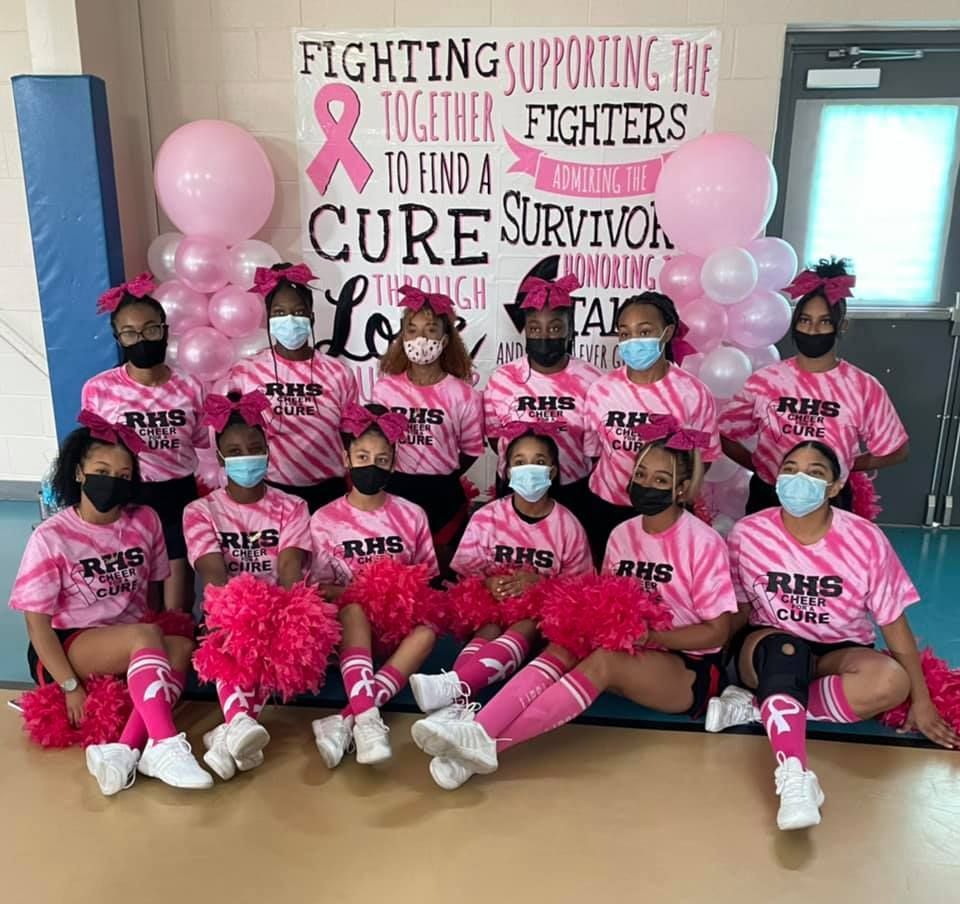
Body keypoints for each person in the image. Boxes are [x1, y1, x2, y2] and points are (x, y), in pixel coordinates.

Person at [412, 421, 736, 791]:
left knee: (603, 661)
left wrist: (650, 635)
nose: (646, 484)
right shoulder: (622, 534)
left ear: (681, 489)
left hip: (687, 666)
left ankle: (485, 737)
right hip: (633, 647)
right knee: (567, 640)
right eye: (641, 473)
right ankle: (467, 749)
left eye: (660, 480)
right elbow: (604, 605)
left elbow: (718, 631)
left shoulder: (702, 541)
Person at [705, 440, 957, 831]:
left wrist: (920, 699)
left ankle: (761, 708)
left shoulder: (865, 539)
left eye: (815, 472)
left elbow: (894, 624)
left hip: (837, 650)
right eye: (790, 468)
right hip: (768, 643)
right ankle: (795, 778)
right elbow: (737, 610)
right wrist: (719, 666)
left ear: (836, 486)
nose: (798, 479)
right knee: (786, 651)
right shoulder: (748, 532)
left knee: (892, 682)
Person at [8, 413, 211, 795]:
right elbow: (36, 624)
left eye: (122, 474)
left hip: (130, 638)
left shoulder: (145, 520)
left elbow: (150, 592)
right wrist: (69, 686)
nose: (112, 481)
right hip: (67, 645)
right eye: (102, 470)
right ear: (80, 472)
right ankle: (166, 743)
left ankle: (125, 751)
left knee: (181, 647)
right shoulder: (52, 537)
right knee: (146, 634)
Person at [408, 423, 593, 718]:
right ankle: (455, 708)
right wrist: (489, 582)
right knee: (489, 627)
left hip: (541, 621)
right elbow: (465, 574)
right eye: (520, 462)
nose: (529, 469)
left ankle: (454, 688)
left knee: (526, 623)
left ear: (554, 472)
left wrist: (540, 584)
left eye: (540, 462)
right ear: (507, 471)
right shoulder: (487, 516)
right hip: (492, 609)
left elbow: (579, 590)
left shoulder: (568, 525)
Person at [182, 390, 312, 782]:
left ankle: (230, 732)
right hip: (225, 612)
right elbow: (214, 575)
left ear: (269, 451)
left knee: (279, 633)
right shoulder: (199, 511)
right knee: (232, 626)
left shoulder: (293, 507)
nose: (246, 456)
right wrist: (245, 614)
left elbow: (290, 567)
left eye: (255, 447)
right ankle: (239, 723)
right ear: (220, 457)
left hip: (277, 606)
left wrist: (279, 613)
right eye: (235, 450)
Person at [719, 258, 908, 515]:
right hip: (770, 496)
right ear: (794, 324)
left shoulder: (863, 386)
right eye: (805, 320)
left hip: (830, 500)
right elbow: (725, 433)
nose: (813, 329)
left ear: (841, 326)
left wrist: (847, 464)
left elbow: (896, 450)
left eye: (824, 322)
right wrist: (762, 464)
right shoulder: (765, 381)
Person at [309, 403, 439, 768]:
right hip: (346, 632)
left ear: (394, 463)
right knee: (353, 612)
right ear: (346, 458)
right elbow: (321, 590)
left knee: (427, 633)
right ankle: (367, 720)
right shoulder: (324, 519)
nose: (372, 465)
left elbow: (425, 579)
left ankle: (345, 718)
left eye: (382, 459)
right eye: (362, 455)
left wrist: (395, 596)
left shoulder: (412, 514)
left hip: (394, 629)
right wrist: (365, 594)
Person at [82, 273, 207, 611]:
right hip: (130, 495)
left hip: (178, 494)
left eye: (151, 329)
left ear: (165, 329)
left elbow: (198, 439)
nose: (142, 340)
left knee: (179, 596)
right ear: (118, 338)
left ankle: (176, 646)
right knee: (138, 590)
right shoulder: (98, 390)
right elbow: (95, 451)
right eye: (130, 333)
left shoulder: (191, 386)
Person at [583, 291, 721, 563]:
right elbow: (595, 452)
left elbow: (702, 458)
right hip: (606, 507)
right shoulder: (601, 390)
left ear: (667, 332)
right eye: (624, 333)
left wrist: (669, 493)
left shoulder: (692, 393)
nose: (633, 341)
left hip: (664, 511)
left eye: (644, 331)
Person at [223, 262, 358, 513]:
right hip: (272, 491)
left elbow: (350, 435)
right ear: (269, 318)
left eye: (298, 311)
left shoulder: (339, 373)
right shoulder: (246, 372)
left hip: (328, 491)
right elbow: (231, 432)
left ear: (312, 317)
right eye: (280, 312)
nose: (290, 320)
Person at [371, 286, 484, 569]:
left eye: (431, 330)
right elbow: (377, 443)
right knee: (399, 573)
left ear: (445, 340)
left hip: (443, 495)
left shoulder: (463, 393)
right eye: (412, 330)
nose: (420, 338)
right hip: (395, 490)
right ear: (402, 337)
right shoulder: (385, 390)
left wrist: (440, 472)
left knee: (441, 575)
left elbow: (471, 450)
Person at [483, 258, 601, 526]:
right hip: (516, 489)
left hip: (572, 490)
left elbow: (595, 447)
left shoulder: (592, 380)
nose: (545, 336)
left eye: (555, 328)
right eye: (535, 328)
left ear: (570, 329)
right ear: (526, 331)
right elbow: (495, 438)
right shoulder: (503, 379)